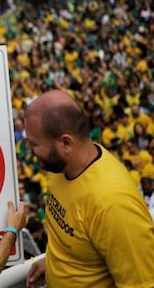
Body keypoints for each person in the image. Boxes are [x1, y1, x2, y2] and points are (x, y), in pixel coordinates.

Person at [24, 90, 154, 287]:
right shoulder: (60, 166)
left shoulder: (114, 204)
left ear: (66, 143)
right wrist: (52, 263)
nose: (29, 150)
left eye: (34, 144)